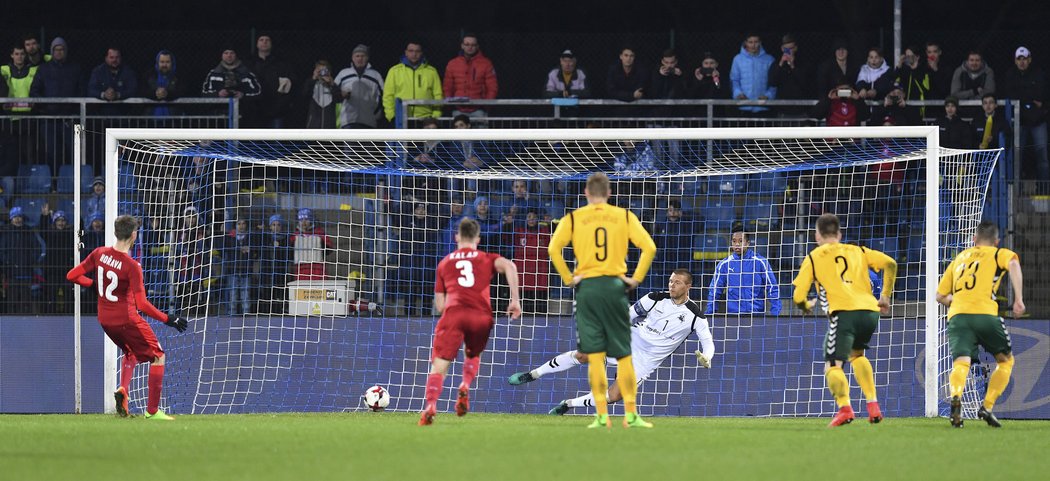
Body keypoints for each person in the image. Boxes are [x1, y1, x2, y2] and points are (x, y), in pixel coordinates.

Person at [509, 270, 715, 415]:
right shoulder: (654, 298)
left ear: (688, 286)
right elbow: (630, 315)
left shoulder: (695, 316)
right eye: (671, 281)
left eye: (677, 282)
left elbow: (708, 343)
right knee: (584, 354)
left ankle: (568, 405)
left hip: (646, 361)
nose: (672, 285)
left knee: (614, 395)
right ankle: (533, 374)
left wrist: (707, 357)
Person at [547, 172, 658, 429]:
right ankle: (631, 415)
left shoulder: (573, 218)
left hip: (587, 289)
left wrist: (568, 278)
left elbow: (553, 248)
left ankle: (601, 416)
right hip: (614, 286)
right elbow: (649, 247)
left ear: (586, 192)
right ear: (609, 194)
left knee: (595, 355)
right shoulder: (624, 216)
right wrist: (636, 279)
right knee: (624, 356)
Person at [65, 215, 188, 420]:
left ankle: (123, 389)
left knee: (130, 352)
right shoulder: (132, 266)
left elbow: (72, 275)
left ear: (115, 232)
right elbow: (142, 305)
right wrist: (169, 319)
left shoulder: (99, 253)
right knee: (158, 356)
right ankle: (153, 412)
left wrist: (93, 284)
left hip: (105, 320)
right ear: (133, 235)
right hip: (127, 320)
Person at [792, 213, 897, 427]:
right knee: (857, 355)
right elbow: (891, 263)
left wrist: (805, 306)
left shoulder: (814, 257)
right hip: (870, 311)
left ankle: (845, 409)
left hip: (844, 313)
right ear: (839, 234)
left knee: (832, 366)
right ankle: (873, 405)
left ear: (817, 236)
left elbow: (797, 297)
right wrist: (885, 295)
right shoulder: (857, 250)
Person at [419, 217, 522, 425]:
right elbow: (510, 266)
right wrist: (515, 300)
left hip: (454, 314)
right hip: (481, 316)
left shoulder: (445, 263)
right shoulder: (486, 257)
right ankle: (465, 384)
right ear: (478, 238)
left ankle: (431, 405)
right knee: (473, 353)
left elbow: (440, 305)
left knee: (439, 364)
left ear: (456, 236)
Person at [935, 221, 1024, 428]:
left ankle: (956, 397)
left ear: (974, 239)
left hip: (958, 316)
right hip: (985, 314)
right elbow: (1012, 263)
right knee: (1005, 361)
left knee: (961, 363)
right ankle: (987, 406)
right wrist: (1018, 299)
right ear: (996, 241)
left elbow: (940, 295)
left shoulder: (959, 258)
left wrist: (957, 301)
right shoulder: (997, 253)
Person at [705, 224, 781, 315]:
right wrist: (709, 313)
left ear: (748, 243)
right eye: (734, 241)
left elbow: (772, 288)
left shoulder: (760, 262)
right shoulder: (724, 265)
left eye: (741, 241)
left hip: (757, 316)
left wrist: (775, 313)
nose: (737, 244)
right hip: (733, 316)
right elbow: (714, 290)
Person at [1003, 46, 1048, 182]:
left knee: (1042, 154)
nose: (1022, 62)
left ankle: (1044, 188)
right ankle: (1017, 189)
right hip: (1019, 121)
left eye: (1025, 59)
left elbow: (1042, 95)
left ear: (1030, 60)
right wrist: (1030, 99)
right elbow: (1010, 95)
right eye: (1019, 59)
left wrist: (1024, 98)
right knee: (1017, 155)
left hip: (1038, 120)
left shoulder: (1039, 74)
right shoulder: (1010, 75)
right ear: (1015, 61)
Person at [382, 40, 443, 126]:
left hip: (426, 119)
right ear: (406, 52)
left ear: (421, 53)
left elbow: (438, 95)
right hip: (401, 119)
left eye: (417, 51)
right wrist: (391, 116)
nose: (414, 54)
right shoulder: (394, 71)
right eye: (411, 51)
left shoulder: (431, 71)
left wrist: (435, 116)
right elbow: (388, 96)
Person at [443, 33, 498, 119]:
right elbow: (447, 87)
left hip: (479, 110)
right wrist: (451, 104)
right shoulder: (452, 63)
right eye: (467, 44)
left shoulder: (486, 63)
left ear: (477, 46)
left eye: (473, 45)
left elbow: (492, 88)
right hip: (458, 110)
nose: (470, 47)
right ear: (462, 46)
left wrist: (486, 106)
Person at [246, 34, 295, 128]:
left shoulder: (281, 63)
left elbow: (291, 82)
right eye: (261, 40)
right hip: (255, 109)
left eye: (267, 40)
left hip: (277, 109)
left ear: (271, 44)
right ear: (257, 44)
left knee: (276, 140)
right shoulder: (249, 63)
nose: (264, 42)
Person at [333, 44, 384, 129]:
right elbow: (333, 93)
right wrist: (341, 95)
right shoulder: (343, 74)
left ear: (367, 58)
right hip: (348, 121)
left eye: (363, 56)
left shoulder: (375, 75)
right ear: (352, 58)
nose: (360, 58)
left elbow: (383, 96)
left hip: (369, 121)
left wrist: (376, 114)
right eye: (357, 56)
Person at [729, 33, 775, 114]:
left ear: (760, 42)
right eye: (750, 42)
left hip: (763, 107)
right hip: (743, 106)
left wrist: (768, 96)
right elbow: (734, 80)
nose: (753, 45)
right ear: (745, 43)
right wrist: (738, 94)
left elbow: (774, 81)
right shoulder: (737, 59)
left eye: (756, 42)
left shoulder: (769, 59)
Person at [143, 50, 181, 117]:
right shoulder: (149, 76)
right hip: (151, 121)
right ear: (157, 63)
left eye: (167, 62)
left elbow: (181, 91)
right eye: (162, 62)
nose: (164, 65)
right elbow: (142, 91)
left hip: (173, 120)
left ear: (172, 63)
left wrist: (167, 93)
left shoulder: (178, 77)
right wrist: (155, 93)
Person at [302, 59, 339, 128]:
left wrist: (332, 84)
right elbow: (305, 95)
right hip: (313, 125)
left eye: (324, 70)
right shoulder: (311, 83)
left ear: (329, 72)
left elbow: (339, 99)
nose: (322, 73)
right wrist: (313, 78)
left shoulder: (333, 85)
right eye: (320, 70)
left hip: (329, 126)